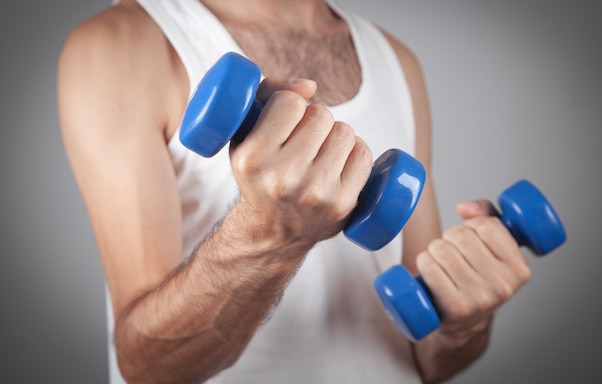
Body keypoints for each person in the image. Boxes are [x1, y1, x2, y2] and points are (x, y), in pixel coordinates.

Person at [57, 0, 531, 383]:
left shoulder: (396, 59)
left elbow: (430, 358)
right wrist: (271, 235)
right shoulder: (122, 44)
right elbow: (147, 368)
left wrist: (461, 325)